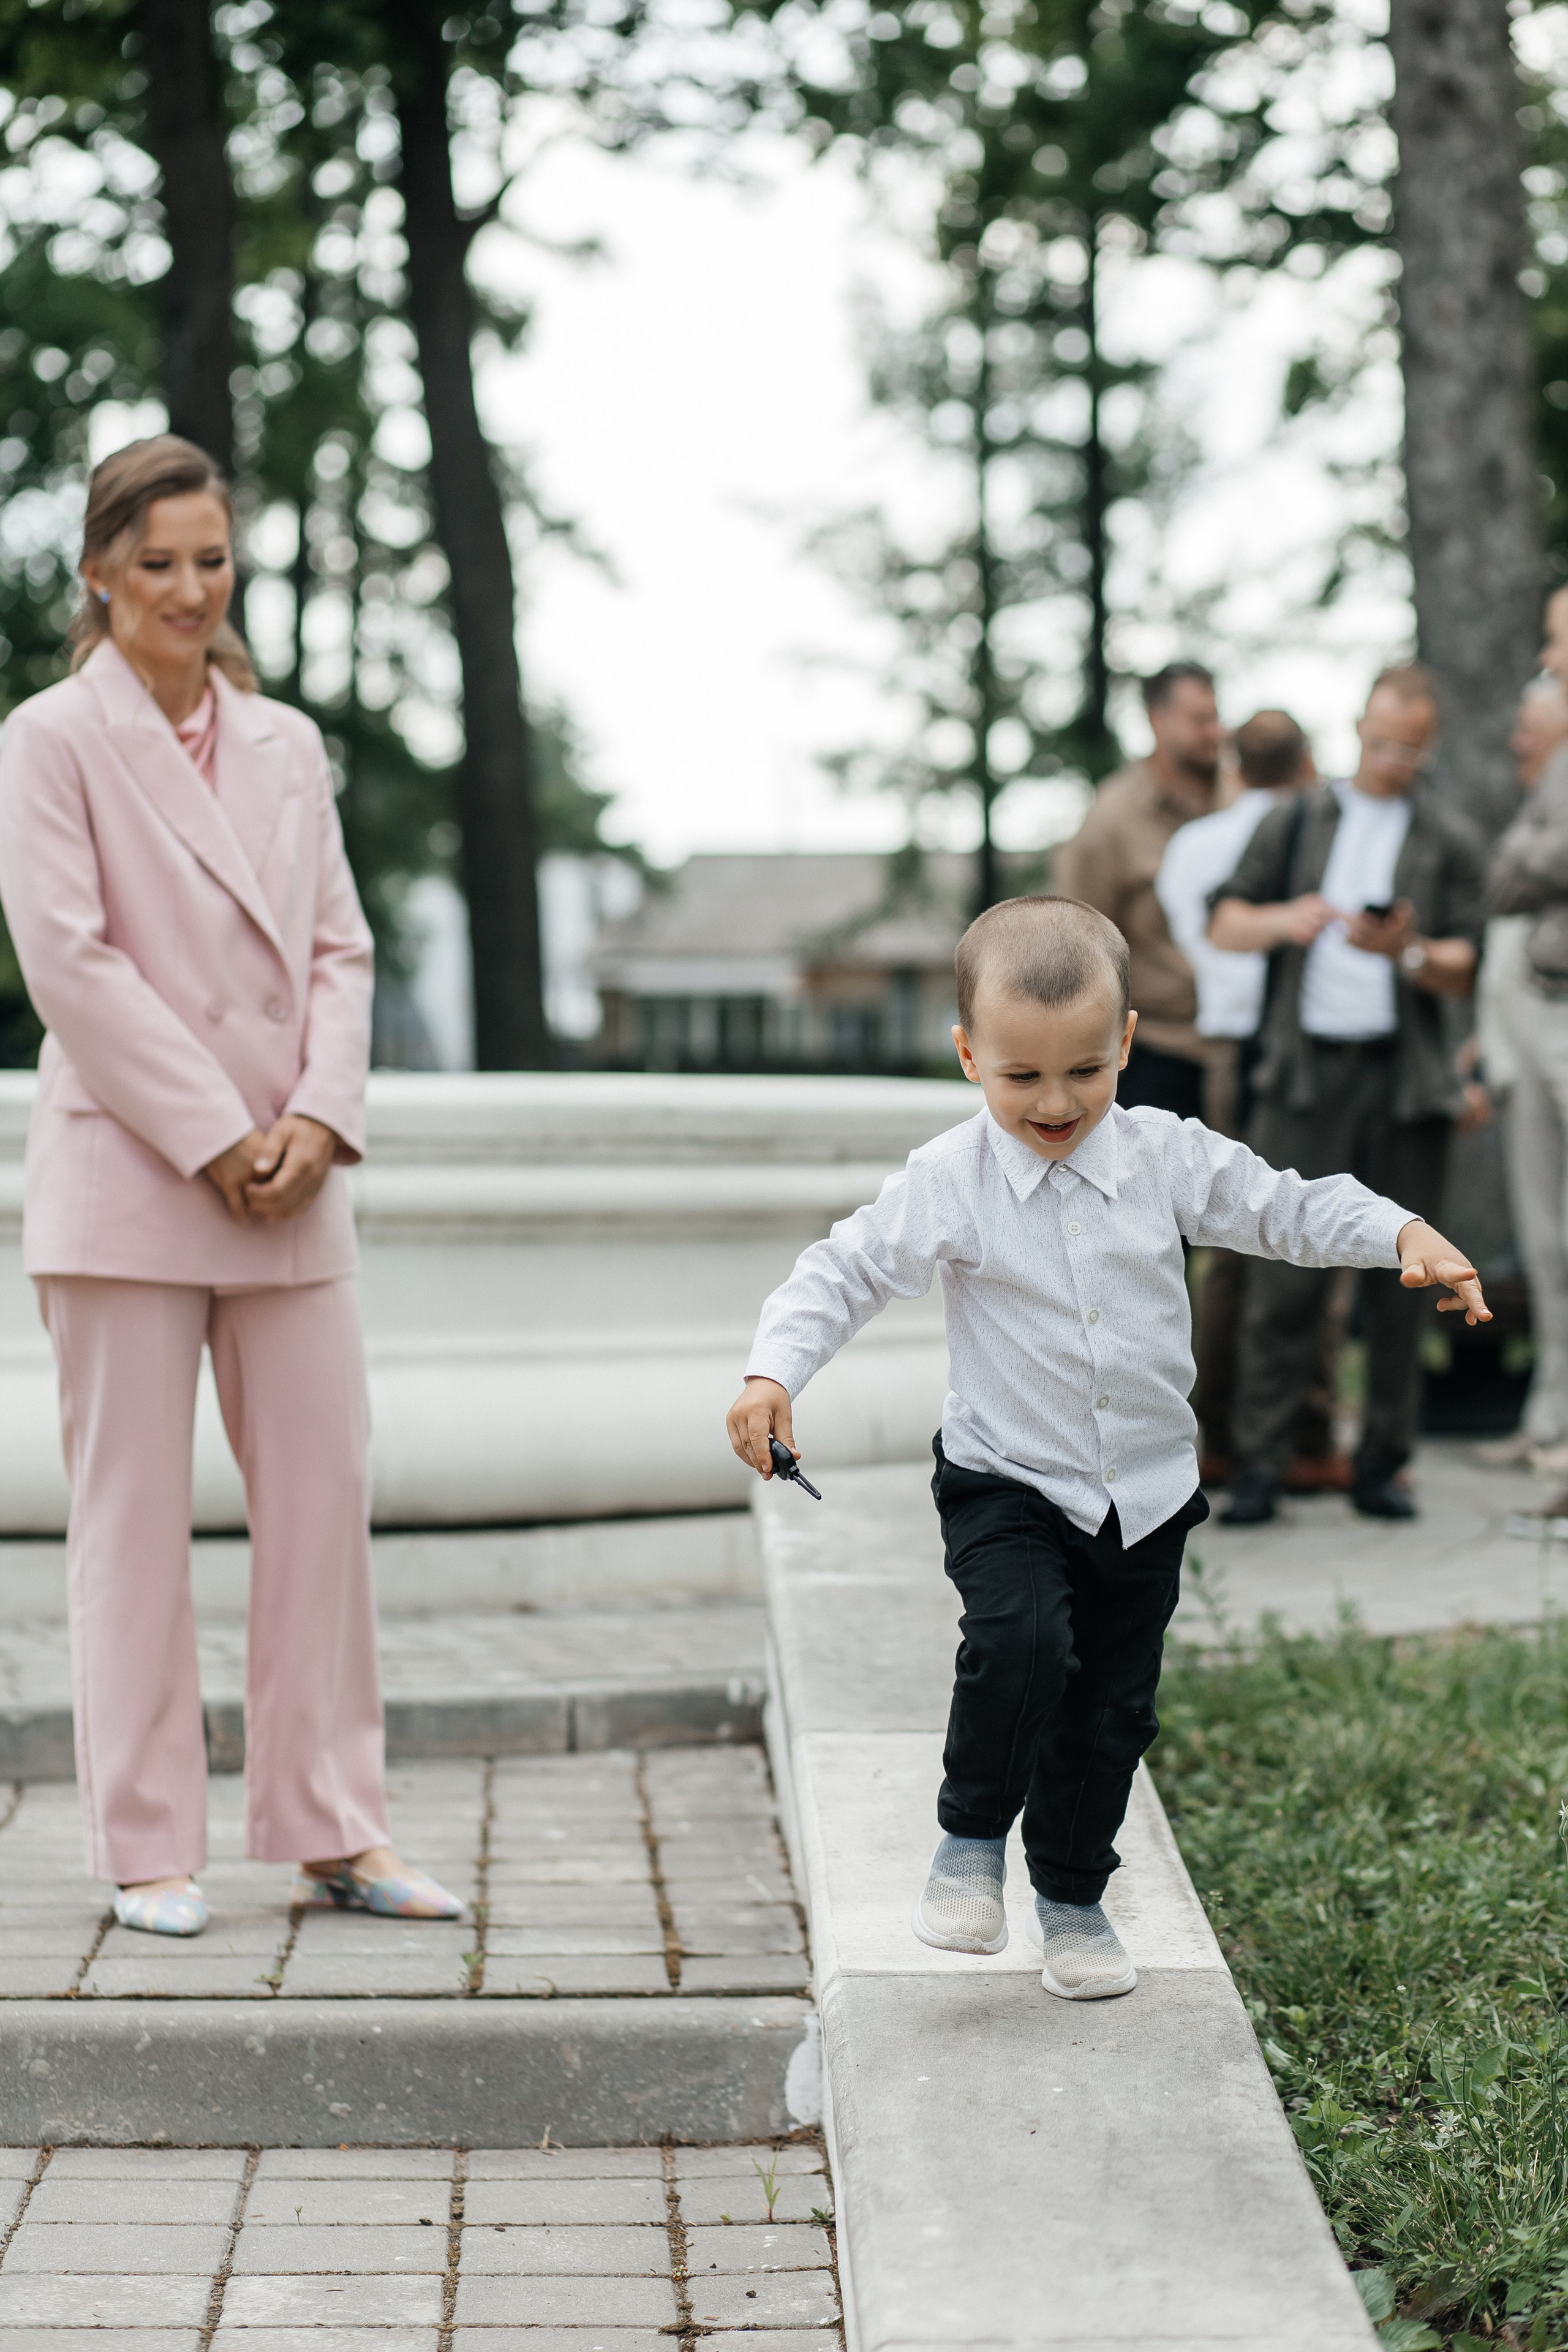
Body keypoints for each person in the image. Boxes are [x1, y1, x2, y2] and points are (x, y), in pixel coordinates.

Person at [726, 896, 1487, 2003]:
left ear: (1126, 1041)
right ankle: (969, 1844)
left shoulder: (1165, 1155)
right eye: (1021, 1076)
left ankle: (1074, 1899)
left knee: (1111, 1711)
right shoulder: (950, 1179)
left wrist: (1400, 1232)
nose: (1056, 1103)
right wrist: (774, 1372)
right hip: (1005, 1480)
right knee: (1022, 1643)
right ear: (968, 1055)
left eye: (1085, 1071)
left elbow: (1283, 1208)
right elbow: (842, 1272)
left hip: (1147, 1496)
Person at [0, 436, 462, 1936]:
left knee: (323, 1505)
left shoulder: (286, 743)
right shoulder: (48, 738)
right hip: (133, 1174)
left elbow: (339, 945)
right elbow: (70, 962)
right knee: (130, 1526)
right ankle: (146, 1844)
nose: (190, 589)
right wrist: (215, 1133)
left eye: (211, 560)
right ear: (98, 572)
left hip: (293, 1175)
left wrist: (319, 1117)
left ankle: (335, 1829)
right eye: (157, 564)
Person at [1208, 665, 1485, 1525]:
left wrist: (1406, 952)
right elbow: (1225, 921)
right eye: (1384, 741)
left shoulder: (1446, 836)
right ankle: (1261, 1462)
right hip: (1304, 1076)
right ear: (1360, 725)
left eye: (1412, 748)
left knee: (1408, 1281)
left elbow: (1464, 964)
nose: (1395, 758)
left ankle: (1383, 1465)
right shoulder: (1297, 819)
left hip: (1406, 1081)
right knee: (1281, 1273)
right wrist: (1287, 918)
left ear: (1429, 745)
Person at [1155, 710, 1345, 1485]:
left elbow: (1186, 935)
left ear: (1235, 766)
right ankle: (1306, 1433)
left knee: (1230, 1241)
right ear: (1308, 764)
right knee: (1308, 1222)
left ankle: (1221, 1437)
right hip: (1301, 1046)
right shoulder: (1319, 834)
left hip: (1225, 1044)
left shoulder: (1193, 845)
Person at [1054, 662, 1222, 1120]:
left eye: (1216, 717)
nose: (1215, 733)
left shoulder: (1242, 803)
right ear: (1156, 720)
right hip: (1160, 1055)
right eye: (1199, 720)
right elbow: (1081, 946)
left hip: (1245, 1051)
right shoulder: (1111, 821)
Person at [1483, 606, 1568, 1482]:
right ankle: (1552, 1426)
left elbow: (1528, 864)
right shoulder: (1556, 774)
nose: (1548, 655)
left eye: (1556, 638)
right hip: (1539, 1017)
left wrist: (1537, 855)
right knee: (1548, 1244)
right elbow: (1503, 876)